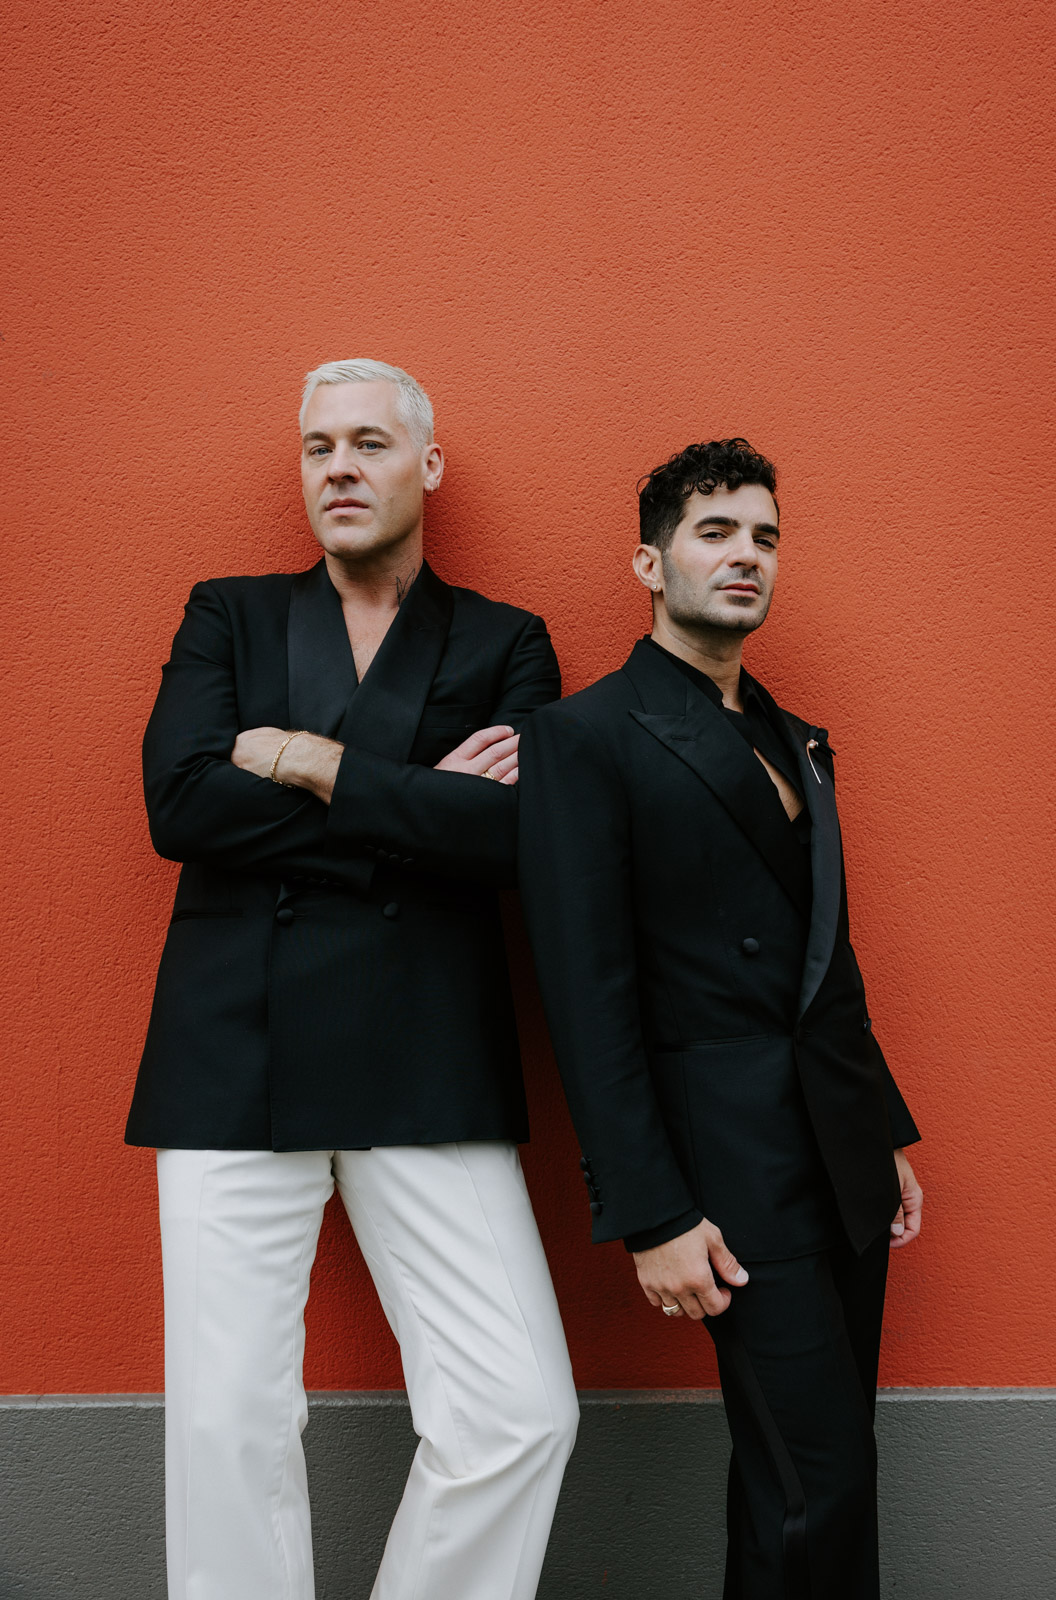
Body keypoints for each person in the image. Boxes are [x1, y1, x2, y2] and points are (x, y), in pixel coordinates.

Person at [126, 358, 578, 1600]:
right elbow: (180, 803)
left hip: (422, 1048)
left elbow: (508, 843)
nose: (339, 466)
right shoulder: (226, 613)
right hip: (234, 1051)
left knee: (520, 1410)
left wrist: (308, 760)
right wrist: (416, 799)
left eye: (370, 443)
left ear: (425, 465)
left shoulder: (504, 641)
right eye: (318, 445)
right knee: (227, 1426)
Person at [517, 437, 922, 1599]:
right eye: (714, 531)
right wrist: (648, 1211)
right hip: (722, 1164)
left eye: (763, 537)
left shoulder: (794, 734)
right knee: (821, 1474)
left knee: (794, 1470)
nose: (744, 555)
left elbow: (819, 952)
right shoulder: (583, 737)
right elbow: (584, 998)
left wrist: (878, 1120)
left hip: (831, 1143)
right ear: (646, 563)